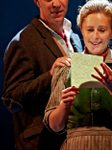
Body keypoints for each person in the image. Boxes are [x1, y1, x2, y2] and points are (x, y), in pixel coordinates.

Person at [43, 0, 112, 149]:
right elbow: (55, 127)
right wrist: (65, 105)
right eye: (90, 30)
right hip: (76, 145)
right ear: (81, 30)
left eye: (102, 30)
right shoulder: (66, 68)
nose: (95, 36)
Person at [1, 0, 83, 150]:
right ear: (37, 1)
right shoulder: (22, 42)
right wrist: (51, 75)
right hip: (41, 143)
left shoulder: (75, 37)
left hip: (74, 140)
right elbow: (11, 99)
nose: (56, 3)